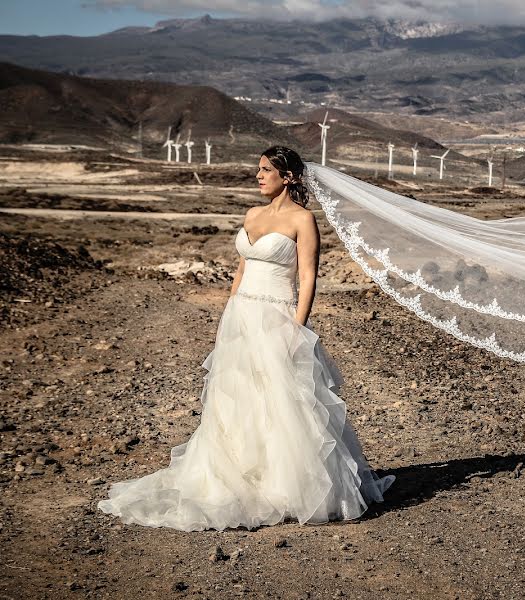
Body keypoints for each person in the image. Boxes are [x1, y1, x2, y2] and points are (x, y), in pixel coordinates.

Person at [98, 146, 395, 532]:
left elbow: (308, 279)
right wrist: (229, 314)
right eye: (258, 169)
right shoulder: (252, 215)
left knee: (281, 399)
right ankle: (235, 475)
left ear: (287, 177)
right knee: (235, 397)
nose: (258, 176)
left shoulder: (303, 220)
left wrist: (296, 327)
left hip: (276, 317)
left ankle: (287, 485)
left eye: (266, 170)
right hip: (240, 316)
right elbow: (240, 272)